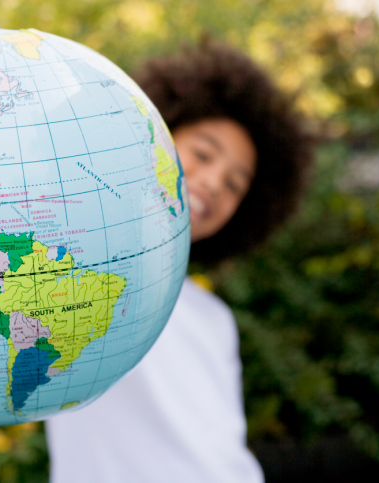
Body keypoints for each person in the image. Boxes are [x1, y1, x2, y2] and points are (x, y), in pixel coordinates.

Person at [45, 40, 314, 482]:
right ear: (155, 137)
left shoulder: (216, 319)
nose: (212, 182)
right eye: (203, 154)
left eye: (235, 185)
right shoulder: (80, 270)